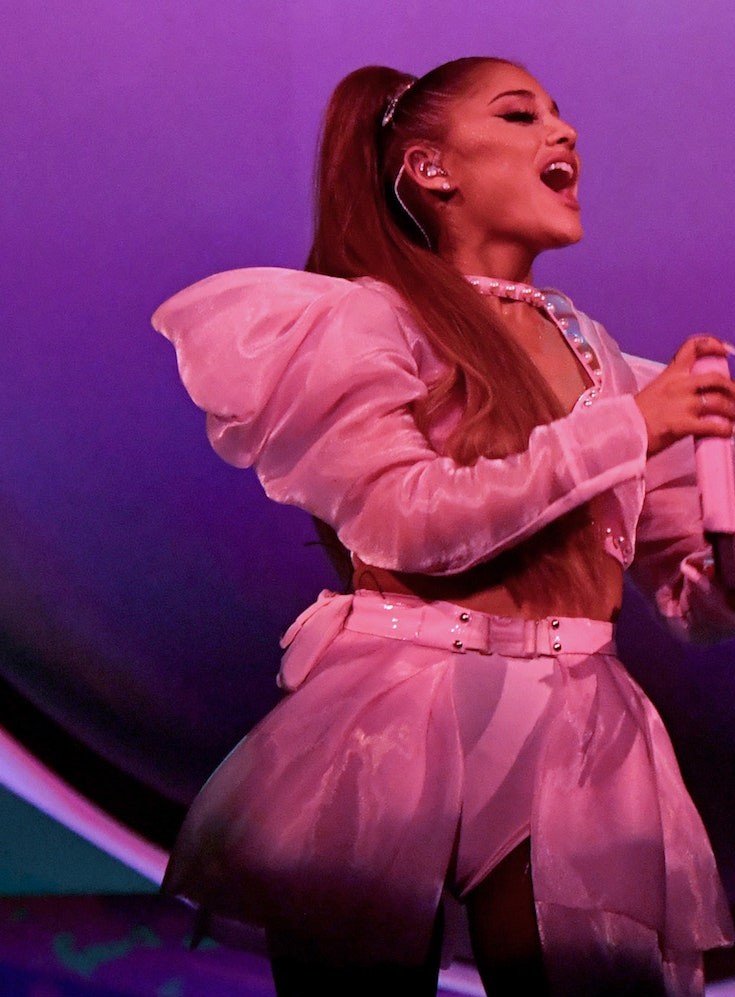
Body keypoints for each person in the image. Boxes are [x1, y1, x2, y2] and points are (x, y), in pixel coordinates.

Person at [152, 57, 735, 996]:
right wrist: (630, 427)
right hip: (398, 714)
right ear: (430, 169)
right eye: (518, 115)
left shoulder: (606, 364)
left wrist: (721, 553)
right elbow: (403, 519)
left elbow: (689, 597)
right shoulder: (371, 322)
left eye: (557, 113)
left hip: (580, 720)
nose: (563, 131)